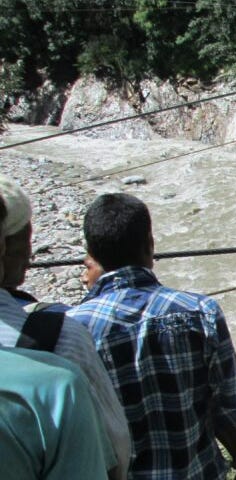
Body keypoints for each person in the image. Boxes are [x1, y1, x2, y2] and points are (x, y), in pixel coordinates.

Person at [66, 193, 236, 480]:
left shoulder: (72, 331)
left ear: (91, 255)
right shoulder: (200, 312)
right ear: (150, 244)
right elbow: (231, 405)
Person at [0, 175, 130, 479]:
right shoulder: (60, 341)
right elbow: (116, 450)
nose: (30, 255)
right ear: (3, 248)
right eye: (26, 240)